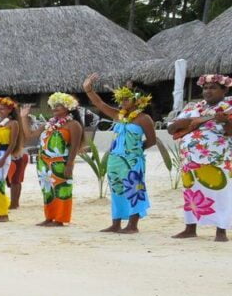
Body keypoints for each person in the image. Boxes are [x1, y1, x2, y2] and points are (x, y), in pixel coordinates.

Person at [83, 74, 156, 233]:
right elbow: (99, 103)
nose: (122, 102)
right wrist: (88, 89)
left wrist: (135, 151)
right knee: (116, 189)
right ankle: (116, 223)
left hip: (132, 160)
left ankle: (132, 225)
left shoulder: (144, 119)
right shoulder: (118, 115)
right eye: (121, 99)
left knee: (134, 189)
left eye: (126, 99)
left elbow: (152, 140)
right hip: (114, 159)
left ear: (138, 100)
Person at [168, 73, 232, 242]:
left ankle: (221, 231)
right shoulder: (192, 107)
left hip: (218, 160)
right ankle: (190, 228)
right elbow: (171, 128)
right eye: (205, 88)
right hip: (190, 161)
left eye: (213, 88)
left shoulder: (229, 106)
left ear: (224, 90)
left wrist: (225, 122)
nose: (208, 91)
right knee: (192, 193)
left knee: (221, 192)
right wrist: (190, 121)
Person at [33, 93, 83, 227]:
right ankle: (49, 217)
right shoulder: (48, 124)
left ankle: (60, 219)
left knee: (62, 189)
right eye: (54, 105)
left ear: (67, 107)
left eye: (59, 105)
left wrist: (70, 163)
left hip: (61, 162)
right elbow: (29, 135)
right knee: (47, 190)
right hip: (43, 162)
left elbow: (75, 146)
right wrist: (22, 117)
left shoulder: (73, 124)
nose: (55, 108)